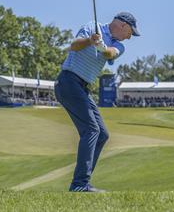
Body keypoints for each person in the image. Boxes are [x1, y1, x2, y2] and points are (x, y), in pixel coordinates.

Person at [54, 12, 139, 192]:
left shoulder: (119, 45)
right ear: (123, 25)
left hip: (82, 87)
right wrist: (90, 41)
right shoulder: (93, 26)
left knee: (102, 134)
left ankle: (81, 182)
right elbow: (74, 46)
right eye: (130, 32)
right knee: (91, 129)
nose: (129, 37)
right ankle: (79, 185)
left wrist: (101, 46)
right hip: (68, 81)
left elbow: (109, 54)